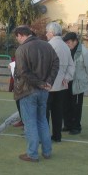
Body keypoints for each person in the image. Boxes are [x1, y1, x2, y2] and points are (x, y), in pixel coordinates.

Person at [13, 25, 59, 162]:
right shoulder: (47, 45)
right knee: (42, 121)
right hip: (43, 90)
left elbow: (23, 72)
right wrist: (48, 81)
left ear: (20, 35)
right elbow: (56, 63)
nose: (17, 40)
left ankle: (32, 153)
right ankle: (47, 151)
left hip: (28, 90)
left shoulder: (22, 49)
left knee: (30, 123)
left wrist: (41, 83)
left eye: (17, 37)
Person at [45, 22, 75, 142]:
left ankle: (45, 136)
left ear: (51, 33)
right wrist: (66, 78)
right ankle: (57, 136)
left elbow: (45, 65)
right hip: (61, 86)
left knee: (45, 112)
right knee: (58, 112)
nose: (46, 34)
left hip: (49, 85)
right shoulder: (65, 46)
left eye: (47, 32)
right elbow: (71, 66)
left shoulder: (49, 46)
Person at [63, 32, 88, 135]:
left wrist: (84, 77)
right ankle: (68, 125)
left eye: (69, 42)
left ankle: (76, 127)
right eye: (66, 42)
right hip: (67, 82)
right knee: (66, 105)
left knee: (76, 106)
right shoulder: (67, 51)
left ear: (75, 41)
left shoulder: (84, 51)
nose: (67, 44)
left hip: (78, 84)